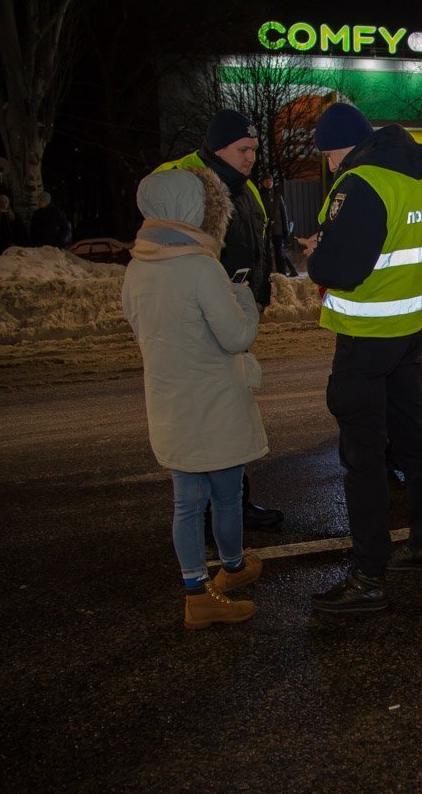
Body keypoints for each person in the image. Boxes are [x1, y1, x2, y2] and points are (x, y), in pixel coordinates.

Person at [299, 102, 422, 614]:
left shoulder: (360, 183)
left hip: (366, 335)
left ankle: (368, 577)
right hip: (409, 331)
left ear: (338, 147)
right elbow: (397, 245)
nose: (331, 165)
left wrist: (315, 253)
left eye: (329, 156)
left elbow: (340, 268)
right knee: (411, 437)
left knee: (362, 460)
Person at [121, 166, 268, 629]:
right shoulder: (202, 267)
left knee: (187, 500)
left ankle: (202, 582)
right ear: (192, 209)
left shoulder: (137, 268)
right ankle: (222, 577)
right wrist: (244, 299)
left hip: (168, 401)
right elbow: (236, 336)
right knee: (225, 493)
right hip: (214, 402)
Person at [154, 109, 283, 531]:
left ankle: (232, 503)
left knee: (232, 409)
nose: (250, 158)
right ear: (217, 147)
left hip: (235, 308)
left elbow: (257, 243)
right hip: (205, 313)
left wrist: (258, 296)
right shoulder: (190, 184)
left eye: (254, 150)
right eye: (243, 150)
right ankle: (212, 511)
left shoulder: (243, 188)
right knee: (211, 413)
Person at [260, 175, 298, 277]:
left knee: (279, 252)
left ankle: (282, 274)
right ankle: (269, 274)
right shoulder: (260, 195)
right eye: (267, 180)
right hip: (266, 229)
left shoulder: (277, 195)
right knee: (267, 252)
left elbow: (283, 212)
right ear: (263, 182)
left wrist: (285, 229)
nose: (269, 182)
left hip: (277, 229)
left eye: (271, 180)